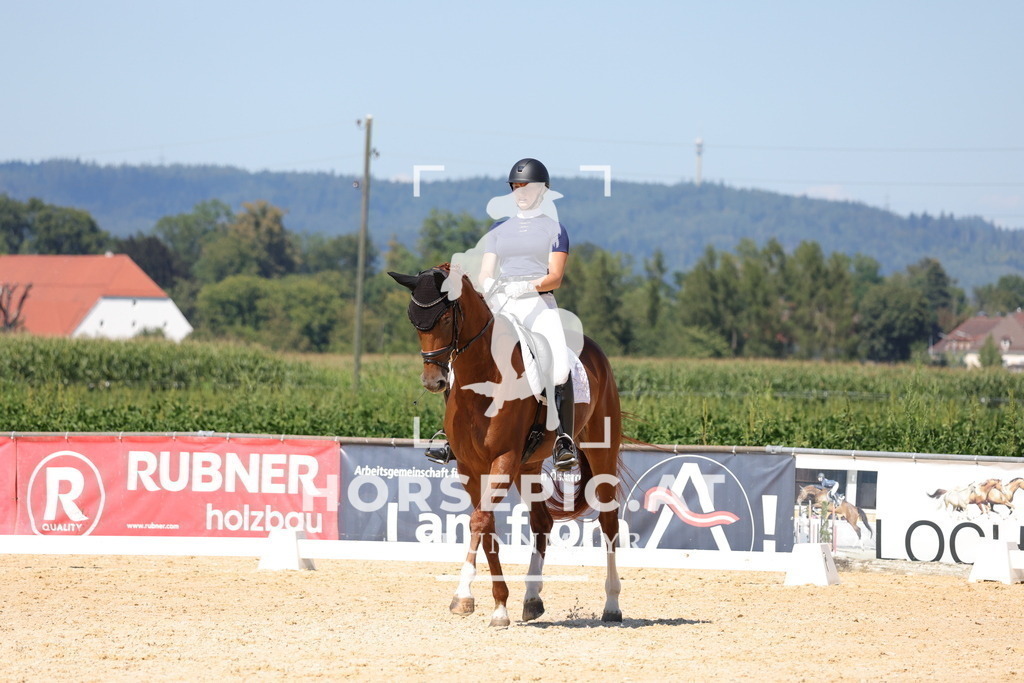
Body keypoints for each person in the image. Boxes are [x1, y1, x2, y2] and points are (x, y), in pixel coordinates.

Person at [425, 158, 580, 471]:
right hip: (500, 300)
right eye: (517, 186)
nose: (521, 192)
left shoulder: (555, 230)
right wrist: (492, 286)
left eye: (528, 187)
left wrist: (524, 286)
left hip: (538, 301)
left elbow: (555, 277)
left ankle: (564, 439)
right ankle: (451, 435)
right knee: (460, 357)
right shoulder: (499, 229)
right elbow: (486, 271)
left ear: (542, 191)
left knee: (560, 366)